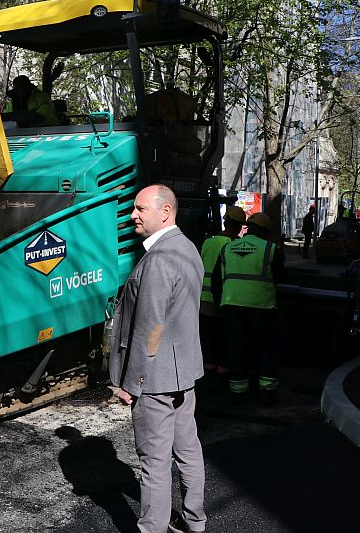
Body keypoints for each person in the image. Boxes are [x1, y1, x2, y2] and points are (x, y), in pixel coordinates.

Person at [109, 185, 206, 533]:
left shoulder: (159, 259)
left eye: (139, 209)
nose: (133, 214)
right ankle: (194, 521)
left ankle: (152, 528)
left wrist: (131, 383)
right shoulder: (187, 249)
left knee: (153, 460)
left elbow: (150, 328)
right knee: (187, 451)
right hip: (183, 373)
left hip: (155, 378)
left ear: (164, 212)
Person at [212, 212, 286, 403]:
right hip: (262, 306)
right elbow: (281, 278)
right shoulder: (270, 248)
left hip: (231, 305)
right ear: (264, 231)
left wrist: (222, 304)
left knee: (236, 347)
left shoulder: (228, 248)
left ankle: (238, 390)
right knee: (267, 347)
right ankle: (267, 391)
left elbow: (216, 281)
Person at [199, 205, 248, 382]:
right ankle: (221, 373)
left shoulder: (208, 242)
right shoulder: (233, 246)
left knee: (207, 338)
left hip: (203, 299)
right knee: (223, 338)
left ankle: (208, 371)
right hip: (222, 299)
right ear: (237, 226)